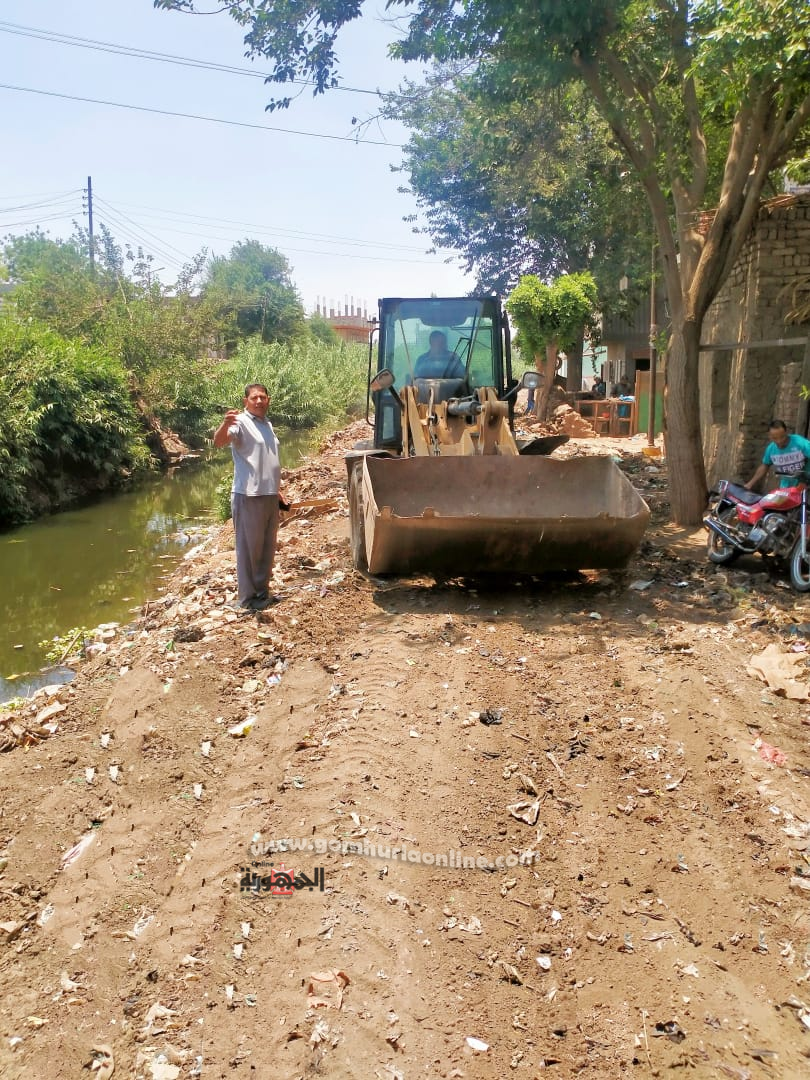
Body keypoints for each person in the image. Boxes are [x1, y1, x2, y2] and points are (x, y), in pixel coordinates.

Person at [213, 383, 287, 611]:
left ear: (268, 400)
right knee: (248, 550)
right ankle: (246, 600)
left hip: (268, 495)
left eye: (262, 397)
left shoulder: (267, 424)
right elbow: (219, 442)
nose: (259, 401)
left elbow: (268, 459)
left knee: (266, 548)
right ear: (246, 401)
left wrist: (277, 489)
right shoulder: (240, 422)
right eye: (254, 398)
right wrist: (225, 424)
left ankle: (262, 594)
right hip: (248, 495)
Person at [745, 419, 810, 491]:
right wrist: (750, 484)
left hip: (805, 487)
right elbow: (765, 466)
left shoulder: (799, 442)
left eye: (782, 437)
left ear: (786, 432)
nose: (779, 441)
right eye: (775, 438)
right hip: (786, 488)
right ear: (770, 436)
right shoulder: (771, 449)